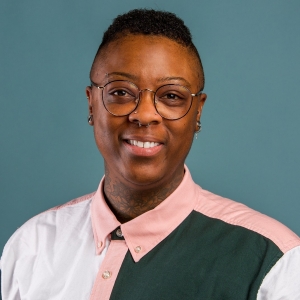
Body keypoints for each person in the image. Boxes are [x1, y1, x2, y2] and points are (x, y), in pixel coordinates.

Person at [1, 8, 299, 300]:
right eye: (120, 92)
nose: (144, 115)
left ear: (197, 112)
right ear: (91, 104)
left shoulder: (273, 261)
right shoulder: (32, 246)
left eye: (171, 96)